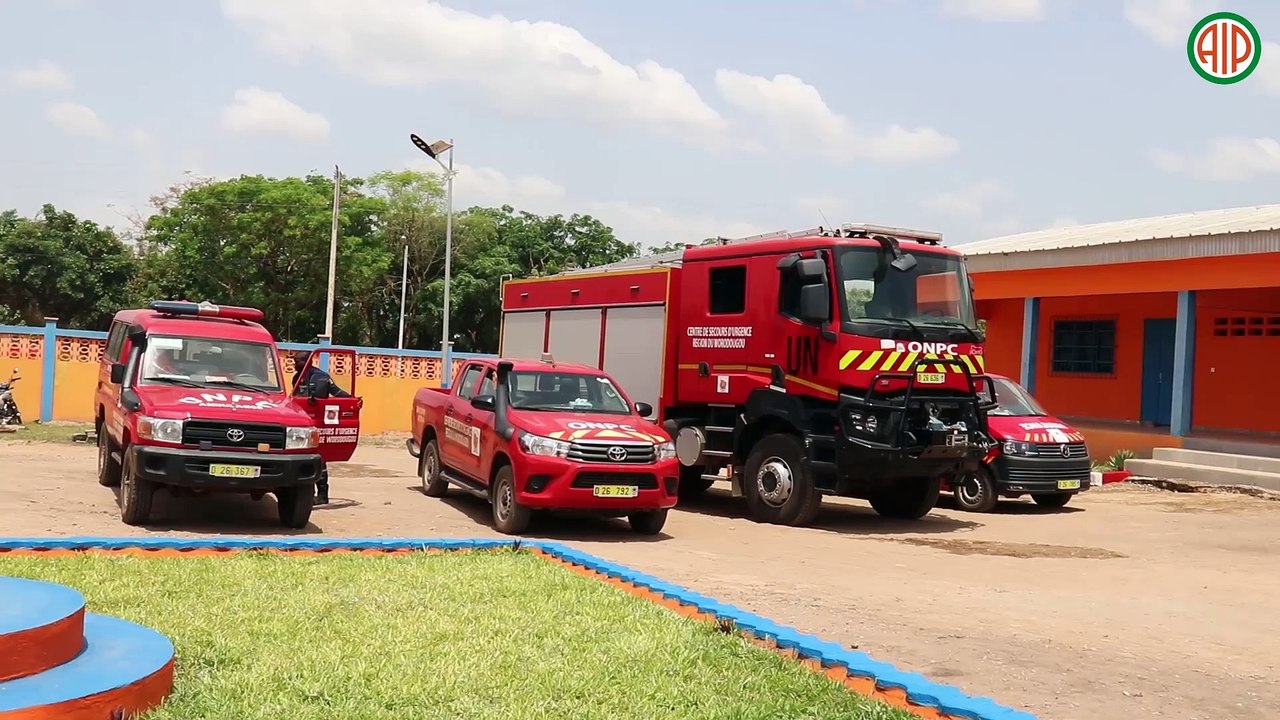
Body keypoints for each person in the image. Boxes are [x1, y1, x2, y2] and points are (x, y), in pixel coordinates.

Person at [288, 349, 351, 506]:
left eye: (299, 362)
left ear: (308, 362)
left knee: (319, 459)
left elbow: (336, 392)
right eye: (295, 362)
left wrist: (351, 401)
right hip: (300, 423)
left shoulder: (320, 377)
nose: (296, 365)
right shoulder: (297, 377)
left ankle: (322, 495)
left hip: (318, 421)